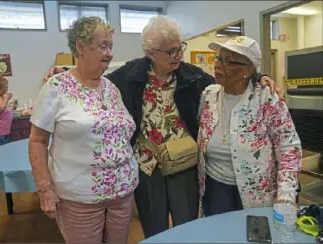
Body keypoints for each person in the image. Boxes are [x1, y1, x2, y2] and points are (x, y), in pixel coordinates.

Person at [45, 16, 280, 238]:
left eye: (180, 47)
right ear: (151, 53)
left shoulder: (193, 76)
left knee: (188, 227)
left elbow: (230, 81)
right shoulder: (130, 75)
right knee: (154, 228)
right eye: (170, 51)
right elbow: (93, 74)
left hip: (185, 165)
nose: (178, 55)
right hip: (147, 168)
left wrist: (259, 77)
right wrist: (64, 73)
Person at [28, 16, 138, 244]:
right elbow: (37, 141)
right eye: (103, 46)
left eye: (111, 46)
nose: (109, 53)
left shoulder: (111, 89)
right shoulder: (56, 87)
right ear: (80, 46)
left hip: (122, 194)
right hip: (80, 198)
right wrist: (45, 190)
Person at [197, 36, 302, 217]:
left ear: (247, 70)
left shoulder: (267, 99)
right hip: (214, 187)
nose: (218, 65)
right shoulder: (208, 95)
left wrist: (286, 193)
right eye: (219, 58)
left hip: (256, 192)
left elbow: (288, 148)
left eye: (227, 61)